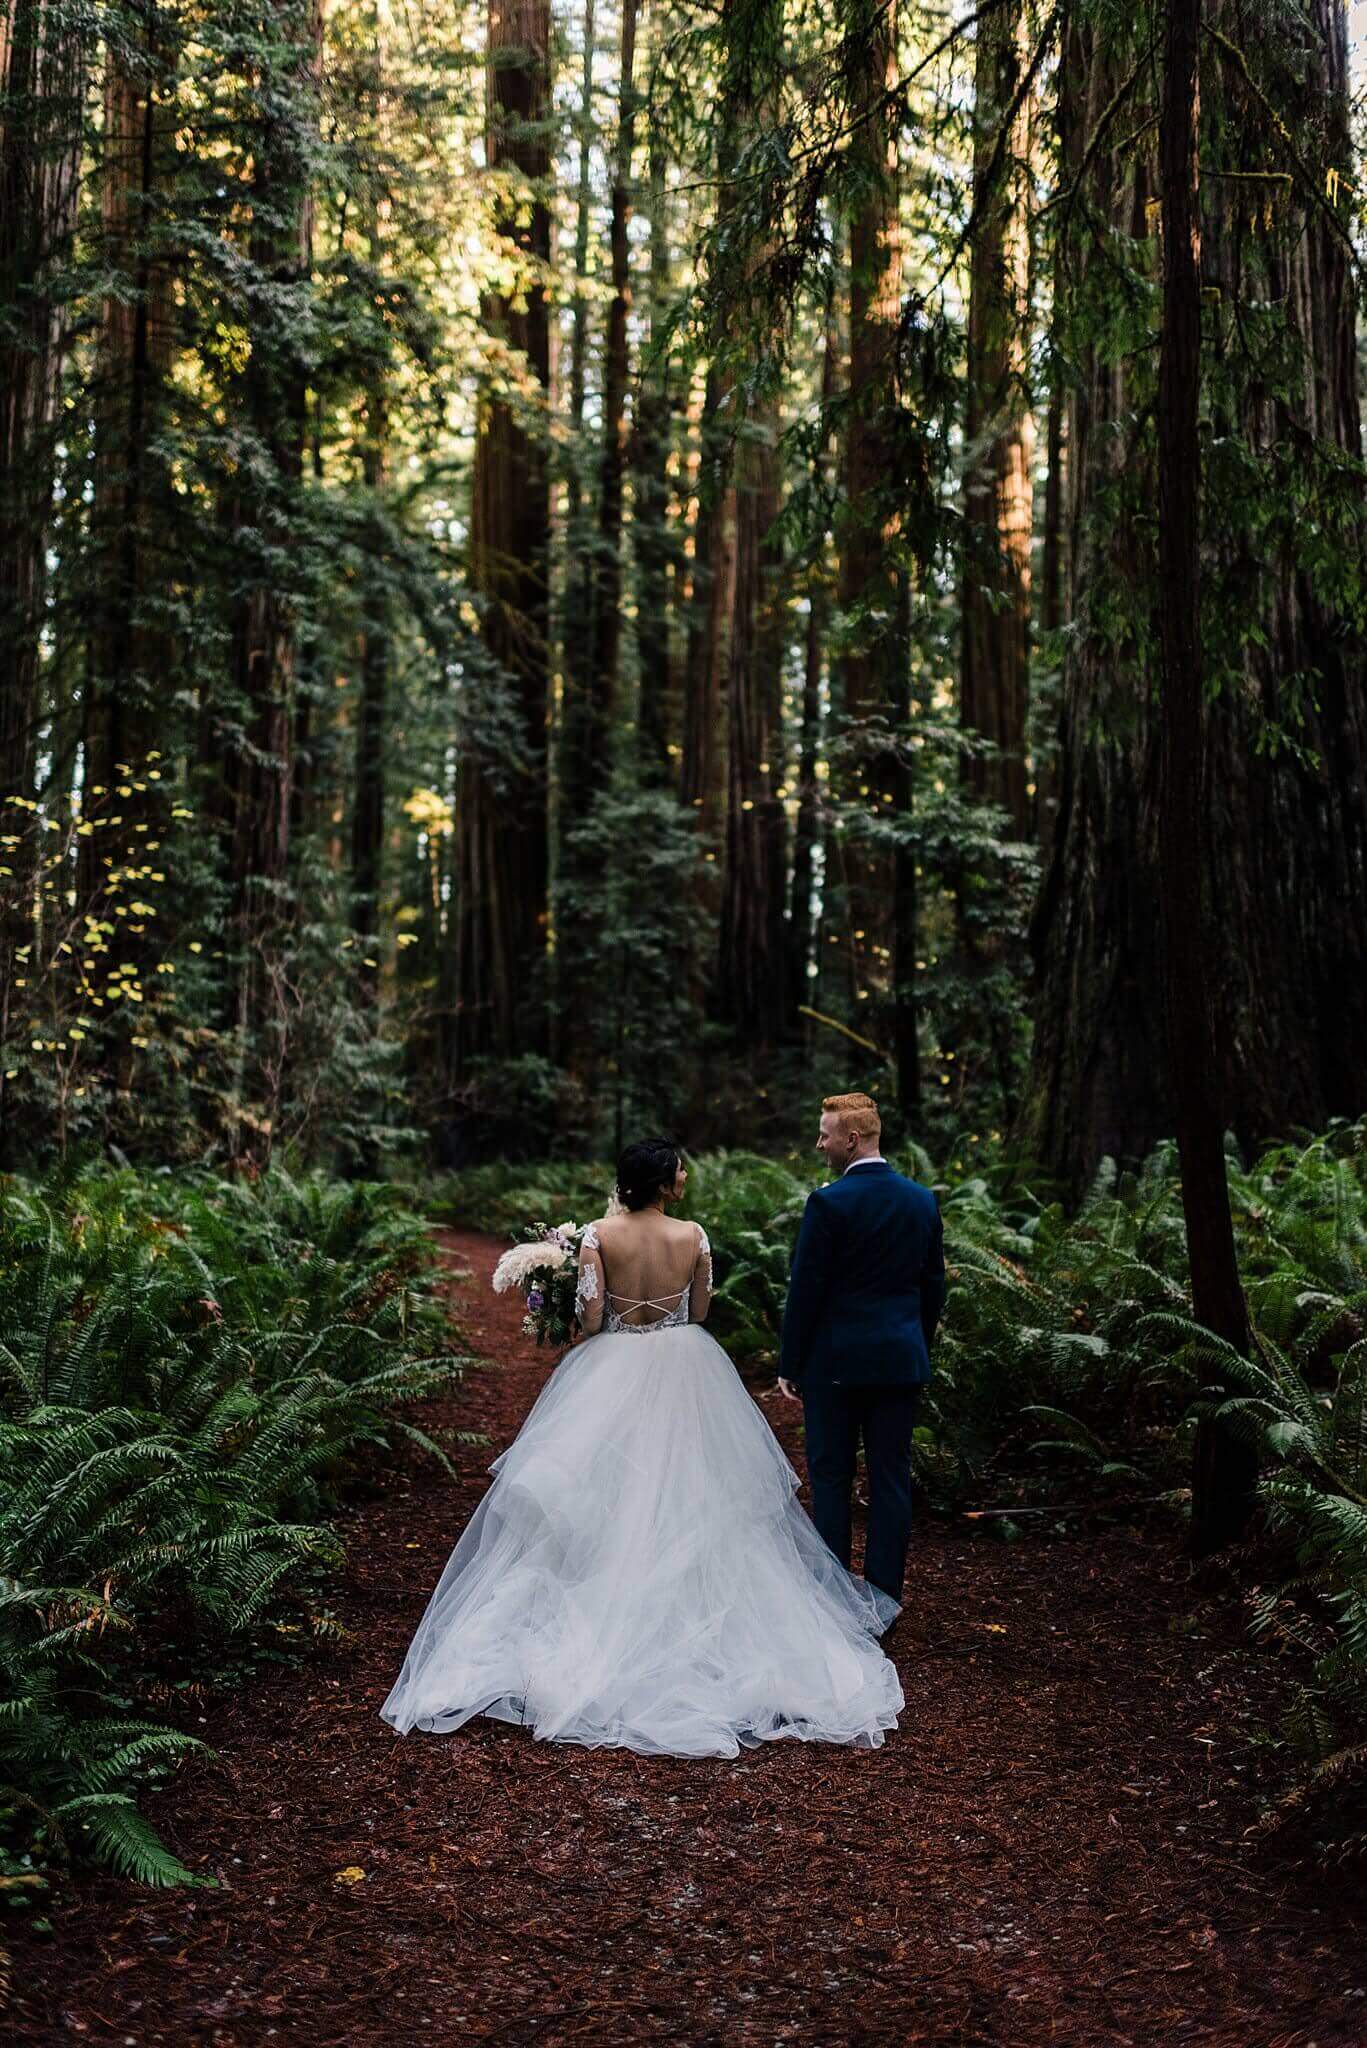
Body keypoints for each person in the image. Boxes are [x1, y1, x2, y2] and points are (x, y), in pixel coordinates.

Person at [379, 1136, 904, 1758]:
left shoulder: (599, 1236)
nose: (685, 1174)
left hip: (614, 1364)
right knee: (698, 1490)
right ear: (665, 1182)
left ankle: (603, 1610)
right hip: (688, 1364)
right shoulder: (694, 1236)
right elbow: (701, 1310)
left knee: (604, 1490)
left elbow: (594, 1315)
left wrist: (583, 1318)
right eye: (680, 1167)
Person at [777, 1093, 945, 1604]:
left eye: (825, 1135)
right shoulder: (921, 1199)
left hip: (834, 1363)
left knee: (831, 1476)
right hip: (898, 1360)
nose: (819, 1144)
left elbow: (807, 1288)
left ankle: (833, 1600)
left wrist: (792, 1360)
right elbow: (933, 1285)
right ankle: (884, 1596)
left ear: (852, 1139)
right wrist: (915, 1341)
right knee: (891, 1476)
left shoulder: (828, 1203)